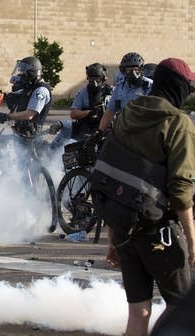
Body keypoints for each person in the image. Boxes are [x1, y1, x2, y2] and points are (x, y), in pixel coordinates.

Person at [101, 58, 195, 336]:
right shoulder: (178, 123)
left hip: (122, 225)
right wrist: (192, 238)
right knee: (180, 312)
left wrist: (113, 237)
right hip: (158, 228)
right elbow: (180, 188)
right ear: (179, 88)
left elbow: (112, 175)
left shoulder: (129, 112)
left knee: (139, 310)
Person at [50, 63, 113, 147]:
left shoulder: (112, 92)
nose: (93, 81)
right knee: (65, 126)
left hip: (105, 130)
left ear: (103, 78)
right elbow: (73, 114)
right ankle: (50, 153)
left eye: (96, 77)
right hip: (86, 129)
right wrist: (89, 112)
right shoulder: (83, 93)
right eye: (91, 77)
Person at [0, 56, 52, 137]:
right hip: (21, 134)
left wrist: (7, 117)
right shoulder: (30, 88)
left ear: (31, 73)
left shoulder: (41, 90)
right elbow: (16, 95)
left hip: (31, 138)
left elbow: (29, 114)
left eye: (22, 73)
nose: (20, 76)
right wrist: (2, 97)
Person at [98, 52, 153, 131]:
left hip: (144, 130)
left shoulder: (150, 86)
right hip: (124, 130)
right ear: (123, 71)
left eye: (135, 70)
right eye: (129, 70)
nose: (133, 73)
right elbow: (110, 112)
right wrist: (99, 132)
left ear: (141, 70)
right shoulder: (119, 88)